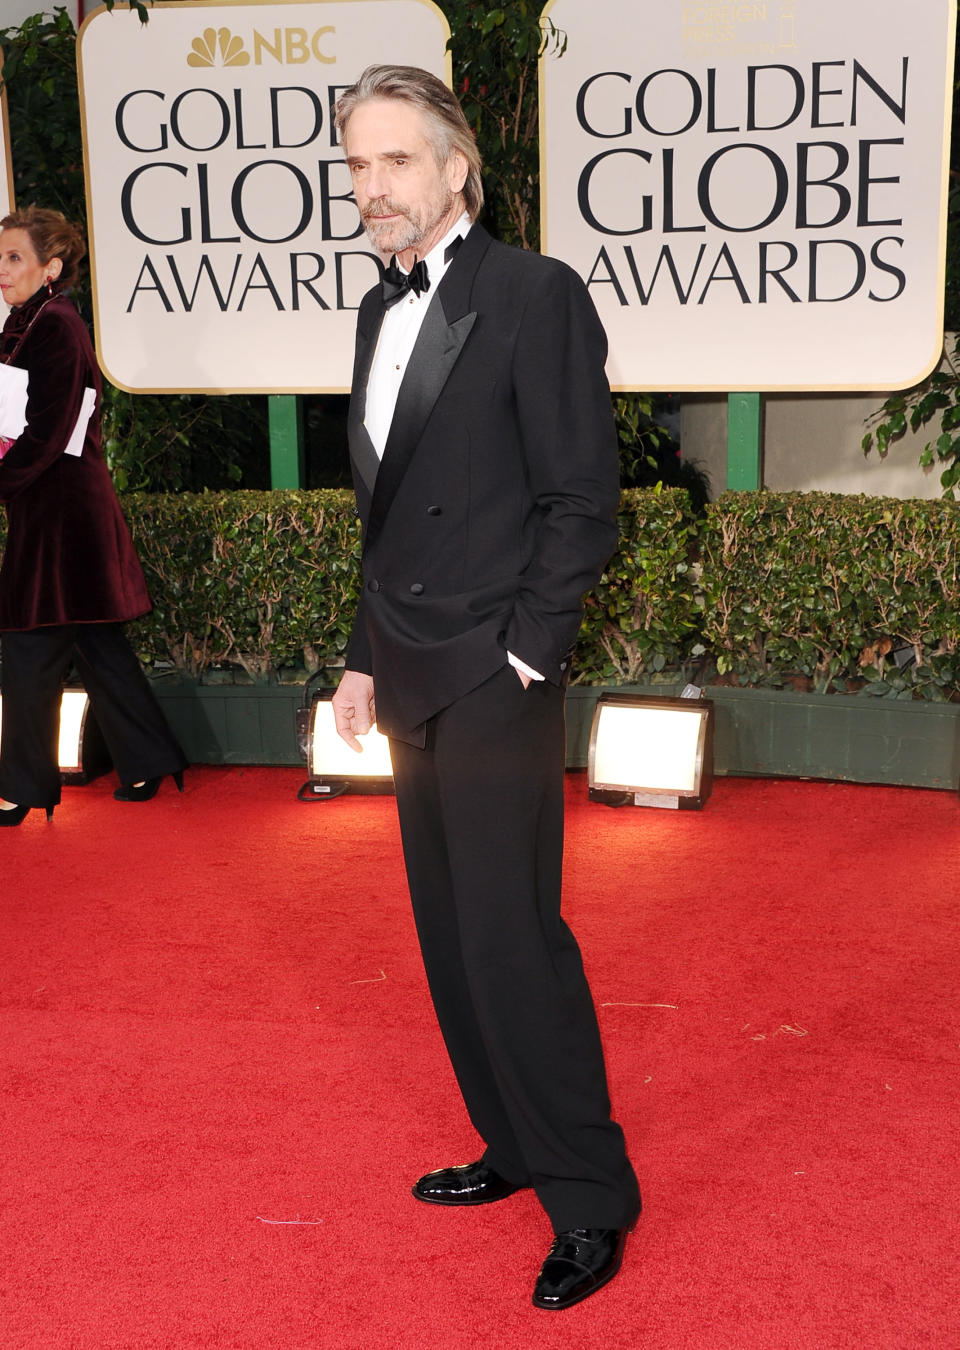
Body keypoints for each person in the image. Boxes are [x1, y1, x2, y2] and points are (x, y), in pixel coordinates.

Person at [331, 67, 640, 1310]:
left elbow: (582, 498)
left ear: (459, 167)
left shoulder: (533, 294)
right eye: (356, 168)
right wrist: (361, 654)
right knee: (451, 936)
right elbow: (385, 515)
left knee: (515, 938)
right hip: (408, 665)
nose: (372, 190)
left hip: (496, 672)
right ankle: (510, 1145)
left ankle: (590, 1195)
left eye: (394, 162)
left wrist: (529, 647)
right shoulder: (373, 310)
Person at [0, 206, 186, 826]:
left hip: (60, 514)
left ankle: (22, 787)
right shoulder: (29, 323)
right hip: (53, 505)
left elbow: (49, 431)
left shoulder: (54, 327)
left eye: (14, 258)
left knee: (29, 644)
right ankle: (149, 758)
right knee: (95, 641)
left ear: (50, 268)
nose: (2, 271)